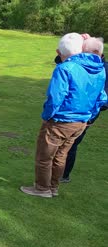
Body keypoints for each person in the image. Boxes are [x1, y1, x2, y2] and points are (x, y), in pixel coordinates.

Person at [20, 33, 107, 198]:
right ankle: (53, 187)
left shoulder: (65, 68)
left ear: (60, 52)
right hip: (80, 122)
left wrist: (47, 116)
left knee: (44, 156)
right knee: (61, 155)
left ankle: (42, 189)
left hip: (62, 121)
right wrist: (89, 117)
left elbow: (55, 98)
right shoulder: (98, 69)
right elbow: (101, 97)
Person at [60, 38, 108, 183]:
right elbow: (62, 60)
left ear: (95, 53)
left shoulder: (103, 68)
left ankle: (62, 175)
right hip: (74, 113)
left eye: (83, 51)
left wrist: (90, 116)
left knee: (70, 145)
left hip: (85, 116)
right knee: (62, 145)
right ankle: (56, 175)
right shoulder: (78, 64)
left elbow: (104, 99)